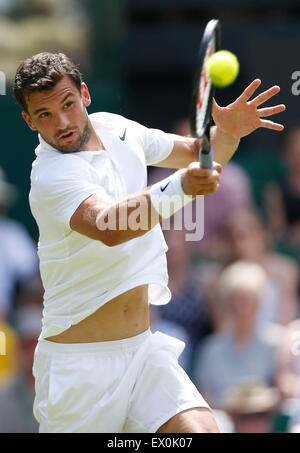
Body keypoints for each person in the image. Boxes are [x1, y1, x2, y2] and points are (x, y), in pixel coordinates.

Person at [13, 51, 285, 433]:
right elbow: (110, 226)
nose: (62, 122)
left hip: (142, 353)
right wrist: (180, 187)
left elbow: (198, 154)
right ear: (28, 121)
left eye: (67, 104)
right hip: (80, 370)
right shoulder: (50, 177)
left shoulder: (116, 128)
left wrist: (228, 134)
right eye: (44, 114)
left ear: (85, 94)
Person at [192, 261, 283, 412]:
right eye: (237, 301)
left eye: (248, 301)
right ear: (229, 305)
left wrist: (258, 402)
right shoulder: (211, 348)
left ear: (259, 303)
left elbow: (282, 391)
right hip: (222, 419)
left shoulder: (277, 342)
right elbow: (203, 395)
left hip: (262, 419)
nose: (242, 309)